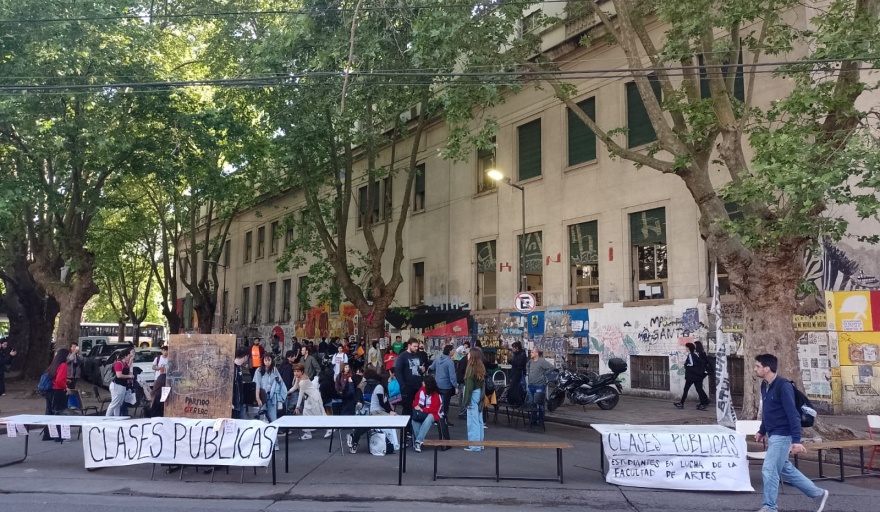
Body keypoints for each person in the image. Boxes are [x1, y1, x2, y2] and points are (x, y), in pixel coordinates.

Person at [754, 354, 829, 512]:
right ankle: (818, 494)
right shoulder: (764, 385)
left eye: (757, 366)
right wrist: (762, 431)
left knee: (769, 469)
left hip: (783, 435)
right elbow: (768, 412)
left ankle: (769, 507)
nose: (755, 369)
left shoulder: (784, 386)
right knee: (784, 468)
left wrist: (796, 440)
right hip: (773, 434)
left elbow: (793, 414)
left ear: (767, 368)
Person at [347, 368, 397, 453]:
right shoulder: (379, 387)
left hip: (374, 411)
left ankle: (354, 437)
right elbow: (382, 402)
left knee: (367, 425)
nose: (390, 380)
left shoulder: (381, 387)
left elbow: (386, 402)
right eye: (388, 379)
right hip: (375, 411)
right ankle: (394, 444)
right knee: (371, 424)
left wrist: (391, 410)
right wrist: (390, 412)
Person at [291, 363, 333, 440]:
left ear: (302, 372)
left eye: (297, 371)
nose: (296, 373)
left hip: (313, 398)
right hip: (309, 398)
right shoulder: (298, 378)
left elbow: (300, 394)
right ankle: (308, 433)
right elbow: (295, 387)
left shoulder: (303, 381)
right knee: (306, 414)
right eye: (295, 371)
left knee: (318, 415)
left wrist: (297, 407)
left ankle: (329, 429)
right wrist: (288, 392)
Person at [41, 349, 71, 441]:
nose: (70, 357)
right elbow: (59, 380)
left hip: (50, 391)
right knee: (59, 412)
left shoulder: (54, 365)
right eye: (69, 355)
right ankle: (59, 435)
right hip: (58, 391)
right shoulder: (63, 365)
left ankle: (48, 435)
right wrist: (66, 387)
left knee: (49, 412)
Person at [673, 342, 710, 410]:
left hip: (691, 376)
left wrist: (686, 364)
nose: (685, 349)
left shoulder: (690, 355)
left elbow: (691, 364)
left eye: (686, 347)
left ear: (688, 348)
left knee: (686, 389)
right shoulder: (695, 355)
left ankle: (681, 403)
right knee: (699, 389)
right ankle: (702, 404)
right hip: (697, 376)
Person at [410, 375, 442, 453]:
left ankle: (418, 441)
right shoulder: (421, 390)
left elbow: (434, 410)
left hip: (433, 414)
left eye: (423, 382)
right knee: (414, 420)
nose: (422, 383)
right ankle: (419, 441)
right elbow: (415, 401)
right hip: (422, 412)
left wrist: (422, 409)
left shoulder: (436, 395)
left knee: (430, 417)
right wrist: (416, 406)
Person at [463, 348, 486, 451]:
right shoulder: (480, 367)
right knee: (479, 420)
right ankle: (480, 443)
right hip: (479, 393)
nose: (467, 355)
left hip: (472, 394)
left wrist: (466, 401)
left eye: (468, 353)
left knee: (472, 421)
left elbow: (468, 387)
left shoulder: (470, 368)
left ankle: (474, 445)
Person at [393, 338, 423, 416]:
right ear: (409, 346)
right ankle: (406, 427)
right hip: (407, 386)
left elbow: (418, 368)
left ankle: (414, 426)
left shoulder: (417, 355)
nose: (416, 348)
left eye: (417, 346)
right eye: (414, 346)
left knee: (417, 407)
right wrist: (403, 385)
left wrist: (421, 369)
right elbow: (398, 371)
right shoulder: (402, 356)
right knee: (407, 408)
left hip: (417, 385)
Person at [429, 345, 458, 426]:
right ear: (449, 351)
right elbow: (452, 376)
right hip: (446, 385)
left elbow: (431, 367)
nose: (454, 351)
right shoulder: (450, 362)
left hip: (437, 384)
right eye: (453, 350)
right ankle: (444, 420)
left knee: (438, 402)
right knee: (445, 404)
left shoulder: (438, 359)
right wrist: (455, 386)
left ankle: (436, 418)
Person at [525, 347, 554, 425]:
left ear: (537, 353)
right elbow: (527, 366)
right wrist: (528, 372)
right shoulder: (530, 361)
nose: (530, 353)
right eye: (530, 352)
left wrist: (544, 374)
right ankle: (533, 420)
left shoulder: (541, 361)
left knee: (540, 404)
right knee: (532, 404)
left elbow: (551, 367)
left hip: (539, 385)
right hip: (531, 385)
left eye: (532, 352)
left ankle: (541, 420)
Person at [254, 354, 287, 423]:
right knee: (261, 416)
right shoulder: (259, 371)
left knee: (273, 417)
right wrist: (258, 398)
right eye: (265, 360)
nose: (267, 362)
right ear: (263, 361)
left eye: (269, 360)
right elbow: (257, 385)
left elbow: (280, 380)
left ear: (272, 361)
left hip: (272, 396)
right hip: (262, 395)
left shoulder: (274, 370)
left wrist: (278, 380)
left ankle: (272, 431)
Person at [107, 348, 135, 416]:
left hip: (122, 386)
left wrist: (131, 360)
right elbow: (119, 375)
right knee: (114, 403)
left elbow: (127, 367)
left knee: (118, 404)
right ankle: (107, 417)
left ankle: (116, 417)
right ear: (124, 356)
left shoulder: (124, 364)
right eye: (128, 355)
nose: (129, 357)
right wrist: (129, 376)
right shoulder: (119, 363)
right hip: (117, 385)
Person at [507, 341, 527, 406]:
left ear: (517, 348)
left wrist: (511, 362)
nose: (512, 349)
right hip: (514, 373)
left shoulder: (522, 354)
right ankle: (515, 401)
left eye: (513, 348)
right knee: (514, 388)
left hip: (519, 374)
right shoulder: (515, 354)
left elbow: (519, 363)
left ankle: (519, 401)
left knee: (517, 388)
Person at [231, 347, 249, 419]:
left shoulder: (239, 367)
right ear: (245, 356)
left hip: (240, 402)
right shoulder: (234, 368)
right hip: (235, 403)